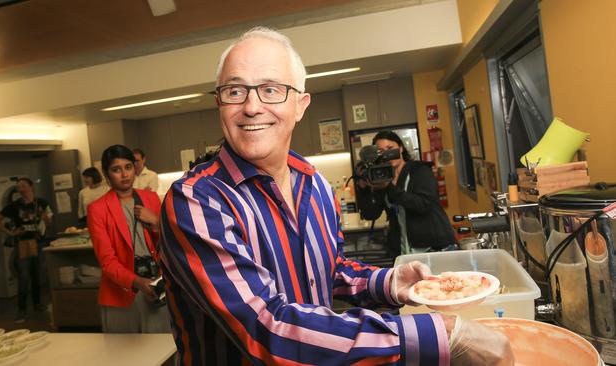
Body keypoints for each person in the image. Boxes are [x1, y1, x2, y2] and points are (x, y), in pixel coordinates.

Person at [159, 27, 513, 365]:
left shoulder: (315, 185)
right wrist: (442, 333)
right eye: (235, 91)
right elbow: (267, 329)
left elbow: (328, 271)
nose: (251, 107)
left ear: (300, 104)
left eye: (270, 90)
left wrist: (388, 281)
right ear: (219, 103)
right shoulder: (196, 201)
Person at [87, 145, 169, 333]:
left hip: (157, 284)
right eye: (116, 169)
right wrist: (137, 282)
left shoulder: (151, 199)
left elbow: (169, 245)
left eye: (128, 167)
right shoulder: (97, 209)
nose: (124, 174)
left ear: (135, 168)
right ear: (107, 175)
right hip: (122, 291)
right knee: (126, 355)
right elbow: (107, 261)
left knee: (163, 350)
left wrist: (156, 222)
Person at [356, 130, 456, 257]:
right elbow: (370, 214)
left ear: (401, 148)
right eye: (381, 151)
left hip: (434, 248)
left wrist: (389, 187)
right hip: (404, 251)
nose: (387, 154)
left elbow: (423, 205)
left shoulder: (420, 170)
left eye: (390, 148)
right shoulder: (382, 177)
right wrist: (363, 188)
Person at [0, 177, 52, 323]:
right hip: (23, 244)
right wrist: (11, 233)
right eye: (18, 187)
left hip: (39, 242)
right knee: (24, 277)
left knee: (37, 274)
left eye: (23, 186)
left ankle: (37, 304)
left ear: (31, 187)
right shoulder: (14, 206)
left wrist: (46, 218)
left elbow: (49, 222)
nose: (21, 189)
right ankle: (21, 310)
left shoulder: (42, 203)